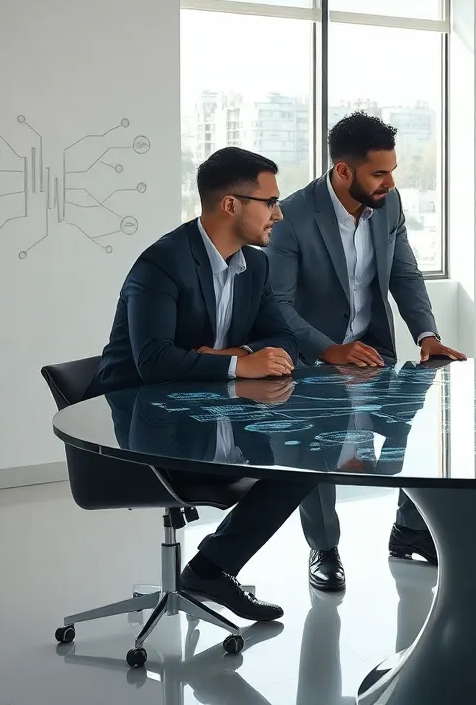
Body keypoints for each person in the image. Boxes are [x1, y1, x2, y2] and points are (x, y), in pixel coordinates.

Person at [85, 146, 308, 622]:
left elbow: (285, 338)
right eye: (269, 202)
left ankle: (210, 567)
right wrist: (241, 367)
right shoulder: (162, 263)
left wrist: (232, 357)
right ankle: (211, 569)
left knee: (308, 457)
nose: (279, 213)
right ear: (231, 204)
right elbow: (151, 362)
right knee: (289, 460)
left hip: (205, 410)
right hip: (144, 429)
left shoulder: (256, 265)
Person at [268, 111, 466, 593]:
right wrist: (331, 350)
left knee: (415, 432)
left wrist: (427, 336)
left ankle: (410, 530)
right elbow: (277, 305)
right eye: (379, 172)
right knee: (318, 453)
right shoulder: (293, 217)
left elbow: (404, 273)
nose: (390, 181)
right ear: (343, 171)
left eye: (391, 170)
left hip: (374, 350)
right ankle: (324, 549)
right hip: (314, 357)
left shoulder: (389, 203)